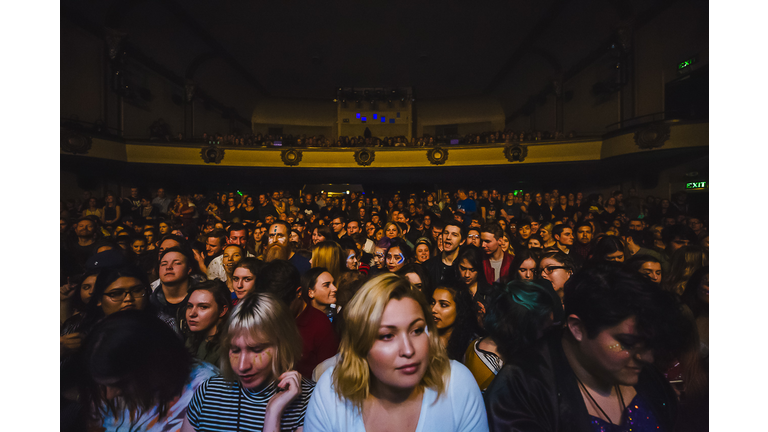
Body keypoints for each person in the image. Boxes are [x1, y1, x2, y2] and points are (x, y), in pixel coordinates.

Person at [485, 268, 690, 432]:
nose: (646, 357)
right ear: (578, 329)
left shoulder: (646, 377)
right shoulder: (522, 386)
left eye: (648, 344)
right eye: (626, 343)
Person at [304, 273, 488, 432]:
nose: (408, 350)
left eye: (416, 330)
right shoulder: (331, 391)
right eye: (387, 336)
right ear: (361, 344)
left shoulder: (457, 384)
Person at [182, 292, 315, 432]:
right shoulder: (208, 392)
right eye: (235, 350)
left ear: (283, 346)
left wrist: (273, 414)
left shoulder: (310, 400)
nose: (242, 366)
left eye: (256, 350)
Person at [78, 311, 218, 432]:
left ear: (154, 364)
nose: (109, 395)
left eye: (121, 384)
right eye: (101, 384)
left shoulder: (209, 394)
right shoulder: (105, 386)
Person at [464, 280, 562, 391]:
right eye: (546, 330)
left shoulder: (479, 344)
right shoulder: (494, 370)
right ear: (523, 328)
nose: (548, 338)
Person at [182, 281, 232, 364]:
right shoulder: (192, 340)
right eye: (190, 306)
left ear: (222, 310)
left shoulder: (231, 348)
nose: (192, 313)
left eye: (203, 307)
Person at [431, 283, 481, 361]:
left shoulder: (472, 345)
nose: (433, 309)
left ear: (459, 310)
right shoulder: (423, 336)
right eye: (433, 302)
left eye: (443, 305)